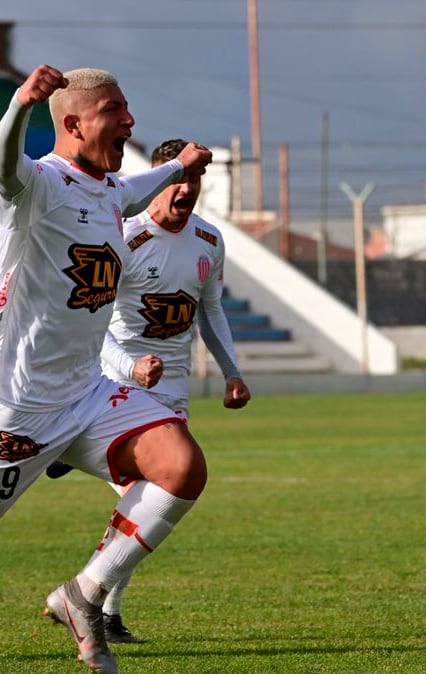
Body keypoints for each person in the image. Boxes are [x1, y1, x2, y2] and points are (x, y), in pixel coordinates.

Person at [0, 64, 213, 674]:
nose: (129, 120)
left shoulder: (110, 190)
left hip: (88, 394)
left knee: (181, 465)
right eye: (114, 111)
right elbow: (2, 165)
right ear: (71, 124)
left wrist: (180, 166)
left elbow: (137, 186)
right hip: (19, 405)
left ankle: (84, 594)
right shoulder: (36, 184)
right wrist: (20, 105)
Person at [46, 138, 252, 644]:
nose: (185, 189)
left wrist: (232, 372)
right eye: (177, 179)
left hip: (172, 392)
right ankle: (98, 607)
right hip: (114, 385)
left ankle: (99, 604)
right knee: (146, 497)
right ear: (158, 181)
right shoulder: (124, 236)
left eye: (194, 180)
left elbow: (211, 310)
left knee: (148, 502)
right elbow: (92, 319)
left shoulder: (208, 240)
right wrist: (130, 365)